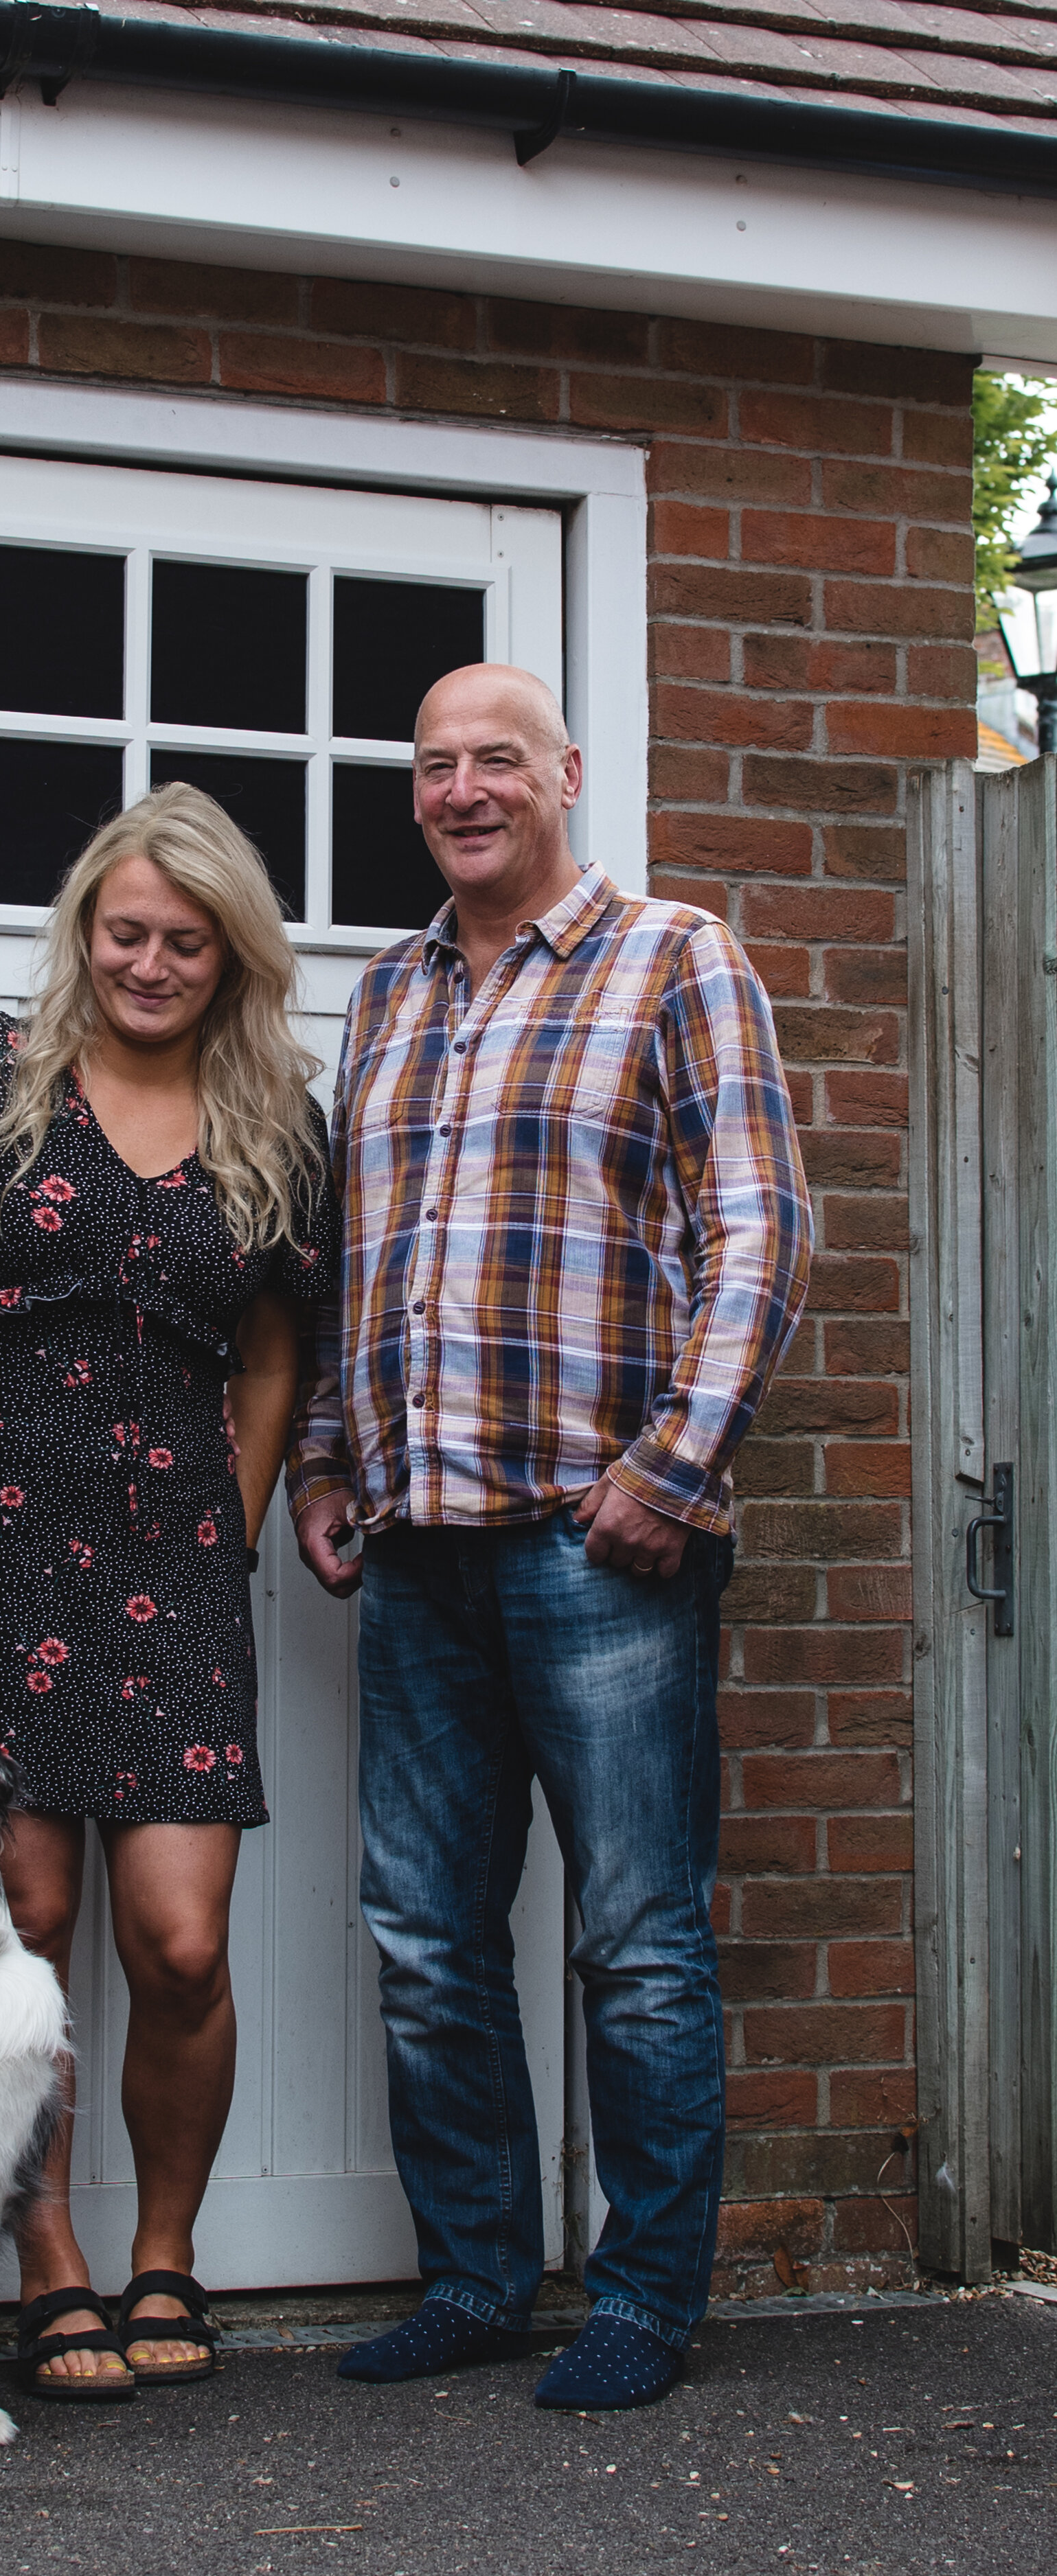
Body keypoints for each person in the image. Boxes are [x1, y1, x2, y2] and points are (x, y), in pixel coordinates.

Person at [288, 665, 811, 2413]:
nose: (460, 787)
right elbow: (351, 1258)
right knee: (427, 1937)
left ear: (565, 773)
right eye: (433, 765)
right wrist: (318, 1457)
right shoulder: (384, 995)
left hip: (605, 1547)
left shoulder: (675, 957)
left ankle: (646, 2295)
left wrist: (674, 1464)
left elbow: (760, 1229)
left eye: (493, 757)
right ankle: (477, 2277)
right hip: (417, 1540)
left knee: (634, 1937)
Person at [0, 784, 339, 2396]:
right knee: (20, 1924)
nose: (150, 963)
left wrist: (223, 1522)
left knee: (173, 1940)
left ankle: (169, 2249)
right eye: (127, 931)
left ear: (232, 953)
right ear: (88, 926)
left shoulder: (277, 1116)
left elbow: (283, 1340)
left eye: (186, 940)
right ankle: (49, 2255)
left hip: (171, 1554)